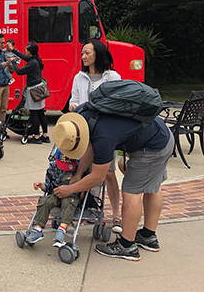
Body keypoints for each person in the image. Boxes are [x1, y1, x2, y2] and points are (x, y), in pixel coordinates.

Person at [51, 109, 174, 262]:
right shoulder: (83, 115)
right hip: (162, 134)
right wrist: (78, 175)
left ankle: (126, 246)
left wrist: (69, 189)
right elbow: (90, 147)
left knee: (131, 192)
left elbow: (98, 177)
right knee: (153, 187)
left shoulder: (103, 137)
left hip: (152, 147)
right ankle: (148, 237)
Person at [69, 39, 123, 233]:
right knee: (82, 171)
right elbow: (73, 100)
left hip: (105, 132)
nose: (83, 56)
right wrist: (74, 106)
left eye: (87, 53)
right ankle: (85, 210)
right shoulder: (79, 77)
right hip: (84, 132)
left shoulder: (112, 77)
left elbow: (118, 103)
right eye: (82, 53)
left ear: (98, 54)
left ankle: (116, 215)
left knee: (108, 173)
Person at [25, 149, 82, 247]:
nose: (64, 170)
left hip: (71, 194)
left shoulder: (79, 169)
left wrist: (81, 193)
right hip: (56, 192)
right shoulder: (53, 168)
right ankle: (38, 229)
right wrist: (41, 185)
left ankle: (62, 229)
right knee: (45, 201)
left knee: (69, 203)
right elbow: (49, 186)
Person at [7, 41, 50, 144]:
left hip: (34, 89)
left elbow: (19, 72)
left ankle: (36, 137)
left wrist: (13, 62)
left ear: (30, 52)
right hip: (40, 87)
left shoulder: (32, 63)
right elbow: (23, 57)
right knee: (41, 112)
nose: (25, 50)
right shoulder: (35, 59)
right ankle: (45, 135)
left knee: (34, 113)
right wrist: (13, 50)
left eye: (26, 49)